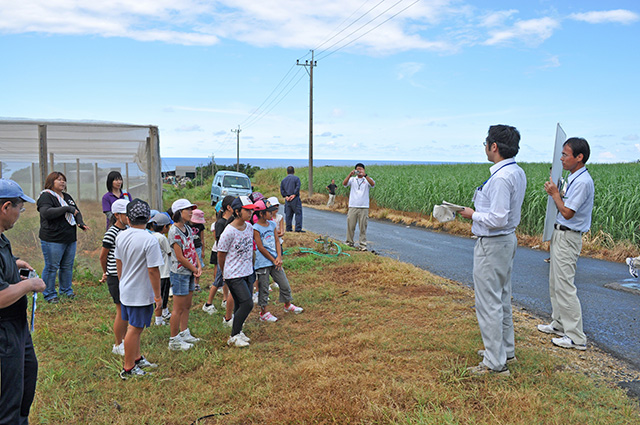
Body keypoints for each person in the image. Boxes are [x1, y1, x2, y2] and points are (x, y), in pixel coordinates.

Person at [458, 125, 526, 377]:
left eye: (486, 143)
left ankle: (495, 363)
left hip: (494, 242)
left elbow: (497, 218)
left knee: (488, 302)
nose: (485, 147)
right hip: (506, 240)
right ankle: (505, 350)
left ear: (494, 146)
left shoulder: (500, 178)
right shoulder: (516, 171)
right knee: (502, 297)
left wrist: (472, 214)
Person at [538, 138, 594, 351]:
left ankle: (576, 337)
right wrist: (558, 194)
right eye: (561, 154)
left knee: (565, 286)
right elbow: (567, 204)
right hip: (561, 234)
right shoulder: (574, 178)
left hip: (569, 235)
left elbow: (568, 213)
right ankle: (559, 324)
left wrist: (554, 195)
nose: (561, 158)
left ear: (579, 157)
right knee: (555, 283)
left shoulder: (582, 181)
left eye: (565, 155)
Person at [0, 179, 46, 423]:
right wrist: (29, 284)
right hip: (4, 330)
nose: (20, 213)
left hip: (17, 327)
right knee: (9, 395)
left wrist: (14, 266)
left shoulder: (2, 239)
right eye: (20, 207)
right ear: (6, 207)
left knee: (26, 379)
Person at [114, 199, 163, 379]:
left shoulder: (121, 236)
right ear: (149, 217)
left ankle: (136, 357)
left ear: (128, 218)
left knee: (137, 327)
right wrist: (158, 296)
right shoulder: (149, 240)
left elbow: (118, 262)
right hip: (140, 293)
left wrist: (122, 282)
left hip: (127, 289)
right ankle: (128, 368)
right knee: (134, 329)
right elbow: (153, 270)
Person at [37, 171, 89, 303]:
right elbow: (46, 213)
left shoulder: (66, 197)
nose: (62, 182)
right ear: (51, 182)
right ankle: (49, 294)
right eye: (59, 179)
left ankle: (66, 291)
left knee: (67, 266)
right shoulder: (46, 196)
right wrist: (66, 209)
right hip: (53, 239)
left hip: (69, 238)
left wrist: (80, 223)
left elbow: (76, 211)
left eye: (64, 180)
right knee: (52, 267)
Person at [253, 199, 303, 323]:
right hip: (263, 263)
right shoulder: (255, 228)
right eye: (269, 212)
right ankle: (263, 313)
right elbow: (260, 247)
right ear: (261, 214)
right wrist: (273, 259)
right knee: (263, 288)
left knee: (284, 283)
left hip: (275, 260)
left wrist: (279, 257)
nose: (272, 214)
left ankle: (287, 305)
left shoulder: (272, 224)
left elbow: (276, 241)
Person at [217, 196, 257, 347]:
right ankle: (233, 336)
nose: (251, 212)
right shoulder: (229, 232)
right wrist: (224, 272)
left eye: (251, 210)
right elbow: (221, 254)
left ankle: (238, 331)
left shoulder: (249, 227)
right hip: (234, 274)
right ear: (237, 211)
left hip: (247, 272)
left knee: (241, 304)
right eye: (248, 210)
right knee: (247, 303)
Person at [168, 198, 202, 351]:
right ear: (179, 213)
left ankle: (184, 332)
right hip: (180, 273)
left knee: (187, 305)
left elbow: (193, 249)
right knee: (178, 308)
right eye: (187, 210)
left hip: (190, 270)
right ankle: (174, 340)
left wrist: (198, 265)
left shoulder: (187, 228)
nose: (191, 212)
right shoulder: (174, 231)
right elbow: (180, 256)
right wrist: (194, 269)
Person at [99, 199, 130, 356]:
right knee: (121, 310)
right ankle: (118, 344)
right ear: (117, 215)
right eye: (126, 214)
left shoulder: (128, 230)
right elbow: (103, 256)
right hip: (115, 276)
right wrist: (106, 272)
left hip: (126, 275)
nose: (129, 216)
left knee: (126, 310)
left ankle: (125, 340)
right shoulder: (111, 233)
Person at [203, 196, 236, 325]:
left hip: (230, 255)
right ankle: (208, 303)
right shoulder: (221, 223)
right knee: (218, 280)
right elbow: (219, 241)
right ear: (229, 207)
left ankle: (225, 300)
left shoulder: (232, 220)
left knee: (226, 280)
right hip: (222, 255)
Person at [343, 163, 375, 250]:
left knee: (363, 227)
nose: (359, 171)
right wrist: (350, 175)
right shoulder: (352, 179)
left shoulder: (367, 179)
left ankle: (362, 245)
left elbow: (372, 184)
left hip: (364, 207)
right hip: (353, 206)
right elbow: (344, 183)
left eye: (361, 169)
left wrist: (365, 175)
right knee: (350, 225)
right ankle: (349, 242)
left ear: (364, 170)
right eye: (357, 169)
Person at [148, 212, 173, 326]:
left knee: (158, 295)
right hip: (164, 271)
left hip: (155, 272)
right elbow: (169, 252)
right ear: (164, 227)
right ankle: (159, 320)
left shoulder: (150, 236)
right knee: (163, 295)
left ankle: (165, 313)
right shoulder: (162, 238)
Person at [280, 166, 304, 232]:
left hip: (287, 199)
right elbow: (297, 187)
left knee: (288, 215)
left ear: (287, 172)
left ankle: (288, 228)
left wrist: (286, 196)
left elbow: (282, 189)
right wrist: (294, 194)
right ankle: (298, 229)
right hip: (295, 198)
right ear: (294, 171)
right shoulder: (296, 179)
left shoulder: (284, 180)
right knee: (298, 213)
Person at [188, 208, 206, 292]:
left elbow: (202, 238)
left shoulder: (200, 226)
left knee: (198, 266)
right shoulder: (187, 225)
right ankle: (189, 282)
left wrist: (203, 250)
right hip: (189, 247)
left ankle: (196, 284)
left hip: (197, 247)